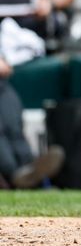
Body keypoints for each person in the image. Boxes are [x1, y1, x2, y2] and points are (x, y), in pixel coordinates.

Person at [0, 55, 66, 189]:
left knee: (14, 129)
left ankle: (29, 171)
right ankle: (13, 175)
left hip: (3, 85)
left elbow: (6, 67)